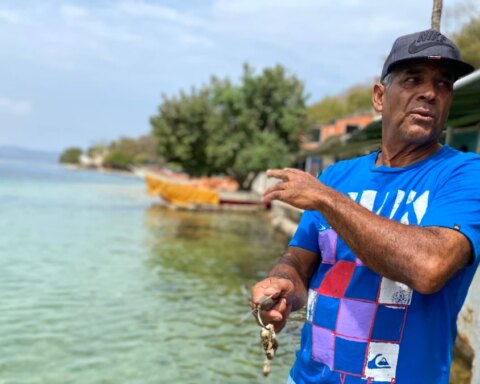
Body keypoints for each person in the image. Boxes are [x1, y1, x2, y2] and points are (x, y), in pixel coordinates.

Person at [251, 29, 479, 384]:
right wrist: (282, 286)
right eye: (413, 79)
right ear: (379, 96)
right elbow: (300, 259)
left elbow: (430, 267)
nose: (430, 94)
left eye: (443, 84)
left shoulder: (465, 174)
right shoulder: (336, 176)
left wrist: (327, 199)